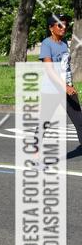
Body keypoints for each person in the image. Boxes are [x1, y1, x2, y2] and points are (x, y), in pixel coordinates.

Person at [40, 14, 82, 155]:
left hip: (67, 88)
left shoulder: (64, 43)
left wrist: (70, 84)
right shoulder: (46, 44)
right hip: (52, 90)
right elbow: (49, 70)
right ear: (51, 28)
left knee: (79, 120)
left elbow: (65, 68)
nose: (63, 28)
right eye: (60, 25)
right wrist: (65, 86)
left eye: (65, 25)